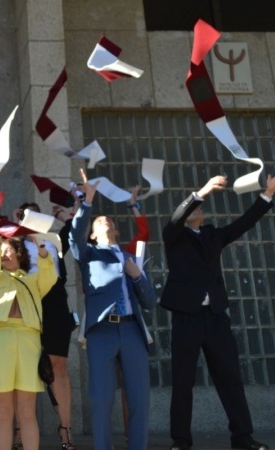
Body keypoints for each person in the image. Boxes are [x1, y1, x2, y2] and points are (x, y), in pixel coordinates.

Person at [161, 168, 275, 450]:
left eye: (200, 207)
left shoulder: (212, 235)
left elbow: (244, 223)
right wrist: (202, 191)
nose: (198, 209)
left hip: (215, 317)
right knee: (183, 381)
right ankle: (181, 441)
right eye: (194, 205)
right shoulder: (174, 236)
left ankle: (243, 438)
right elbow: (176, 219)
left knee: (230, 378)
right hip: (186, 318)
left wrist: (268, 193)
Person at [68, 168, 156, 450]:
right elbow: (74, 239)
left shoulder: (132, 257)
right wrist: (87, 202)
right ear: (93, 235)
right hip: (102, 331)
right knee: (102, 398)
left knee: (139, 398)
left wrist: (137, 276)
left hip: (132, 330)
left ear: (117, 230)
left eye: (109, 219)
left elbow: (150, 302)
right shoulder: (89, 254)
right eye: (98, 220)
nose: (104, 220)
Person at [0, 233, 56, 450]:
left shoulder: (32, 278)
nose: (3, 253)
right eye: (1, 250)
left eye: (8, 249)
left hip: (28, 339)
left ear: (19, 253)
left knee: (27, 411)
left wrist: (41, 248)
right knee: (3, 411)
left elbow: (49, 275)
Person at [12, 202, 77, 450]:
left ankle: (65, 429)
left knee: (58, 365)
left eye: (33, 213)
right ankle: (19, 430)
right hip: (25, 297)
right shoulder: (15, 240)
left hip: (55, 301)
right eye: (24, 213)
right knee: (22, 366)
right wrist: (17, 224)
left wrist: (62, 217)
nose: (29, 217)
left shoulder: (54, 240)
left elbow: (75, 230)